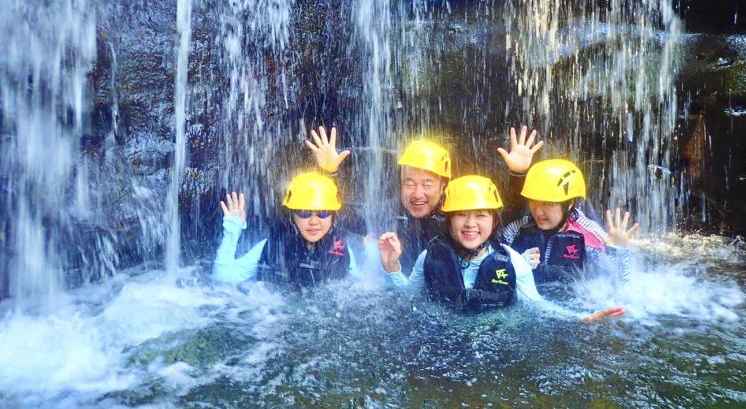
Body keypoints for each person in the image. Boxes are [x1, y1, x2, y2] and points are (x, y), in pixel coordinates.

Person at [377, 175, 623, 321]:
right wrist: (392, 267)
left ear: (494, 222)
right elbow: (408, 295)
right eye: (461, 215)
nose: (470, 224)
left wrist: (581, 318)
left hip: (494, 339)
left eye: (480, 216)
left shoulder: (513, 262)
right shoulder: (430, 256)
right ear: (449, 220)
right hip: (442, 340)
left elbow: (537, 305)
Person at [307, 127, 452, 273]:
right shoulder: (391, 215)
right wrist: (330, 173)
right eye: (409, 184)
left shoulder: (453, 223)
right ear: (400, 184)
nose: (417, 194)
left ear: (442, 186)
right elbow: (342, 218)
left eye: (427, 185)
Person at [498, 156, 639, 286]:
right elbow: (493, 264)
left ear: (570, 203)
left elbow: (618, 286)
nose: (538, 211)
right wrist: (518, 265)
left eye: (548, 203)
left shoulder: (589, 235)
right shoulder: (516, 230)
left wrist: (617, 253)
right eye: (533, 201)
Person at [213, 171, 362, 288]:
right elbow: (224, 278)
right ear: (292, 216)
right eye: (304, 213)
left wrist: (378, 258)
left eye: (323, 213)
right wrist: (232, 231)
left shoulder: (342, 251)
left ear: (332, 217)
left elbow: (360, 289)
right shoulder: (272, 246)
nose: (313, 222)